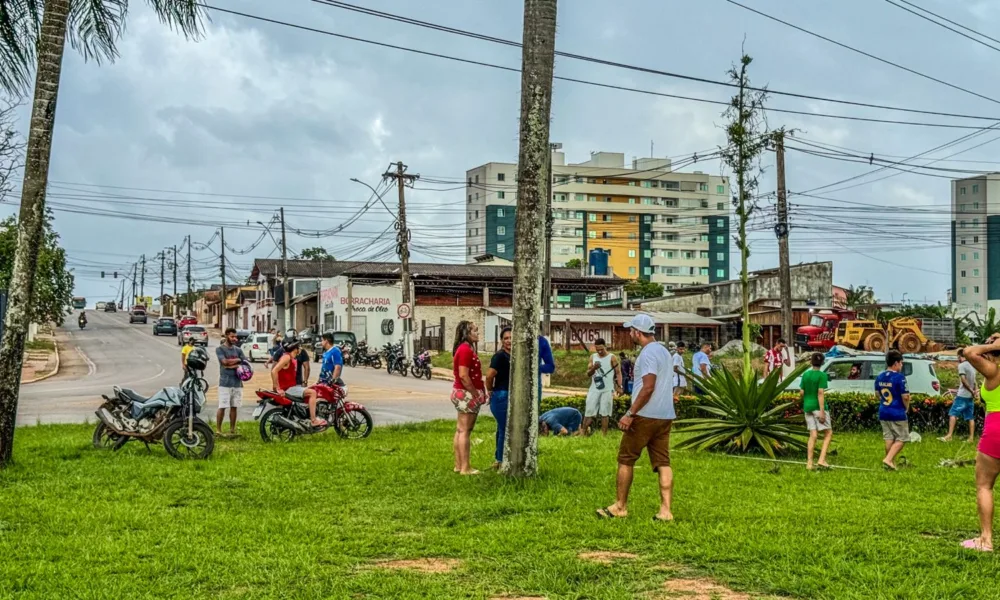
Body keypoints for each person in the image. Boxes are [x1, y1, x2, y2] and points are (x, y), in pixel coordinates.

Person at [597, 313, 675, 522]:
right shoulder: (664, 352)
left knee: (626, 459)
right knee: (663, 462)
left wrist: (630, 413)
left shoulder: (648, 354)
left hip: (644, 415)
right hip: (665, 415)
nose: (629, 333)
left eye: (631, 330)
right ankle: (665, 510)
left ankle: (620, 506)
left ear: (638, 333)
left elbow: (648, 386)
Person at [957, 334, 1000, 552]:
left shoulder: (994, 372)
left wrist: (994, 344)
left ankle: (986, 540)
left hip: (996, 429)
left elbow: (969, 352)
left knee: (984, 485)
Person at [451, 320, 487, 475]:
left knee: (460, 429)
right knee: (466, 430)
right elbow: (464, 375)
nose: (477, 333)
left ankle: (459, 465)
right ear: (466, 333)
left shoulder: (463, 349)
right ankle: (465, 467)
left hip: (461, 392)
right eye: (474, 330)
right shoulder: (465, 350)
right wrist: (475, 392)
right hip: (466, 393)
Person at [875, 350, 910, 471]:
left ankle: (891, 463)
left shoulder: (880, 376)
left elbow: (877, 394)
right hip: (897, 412)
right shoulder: (900, 378)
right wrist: (907, 407)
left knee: (889, 438)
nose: (901, 365)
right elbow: (905, 396)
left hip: (883, 411)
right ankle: (888, 459)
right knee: (902, 438)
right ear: (896, 363)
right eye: (901, 363)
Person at [582, 338, 622, 436]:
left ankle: (604, 435)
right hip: (594, 389)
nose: (599, 351)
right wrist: (594, 368)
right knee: (589, 411)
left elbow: (618, 373)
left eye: (601, 349)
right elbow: (588, 374)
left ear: (605, 346)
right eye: (597, 349)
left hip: (607, 389)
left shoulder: (612, 357)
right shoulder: (593, 357)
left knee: (605, 412)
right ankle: (583, 432)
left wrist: (619, 386)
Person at [302, 332, 343, 427]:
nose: (321, 342)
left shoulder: (335, 351)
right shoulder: (326, 353)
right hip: (322, 381)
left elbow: (337, 367)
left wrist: (333, 380)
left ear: (327, 341)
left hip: (328, 383)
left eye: (322, 340)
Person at [801, 352, 832, 470]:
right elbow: (820, 393)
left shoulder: (805, 375)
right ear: (823, 362)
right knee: (828, 433)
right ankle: (821, 459)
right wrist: (822, 411)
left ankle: (809, 463)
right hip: (817, 407)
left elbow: (802, 392)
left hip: (807, 406)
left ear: (811, 362)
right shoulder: (822, 375)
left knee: (813, 435)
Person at [485, 327, 512, 469]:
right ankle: (501, 460)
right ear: (501, 341)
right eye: (506, 338)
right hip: (501, 395)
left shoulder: (514, 356)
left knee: (501, 429)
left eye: (511, 337)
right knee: (504, 429)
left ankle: (498, 459)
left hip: (509, 395)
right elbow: (489, 376)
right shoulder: (499, 356)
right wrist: (490, 390)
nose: (509, 341)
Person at [940, 347, 977, 444]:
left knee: (953, 413)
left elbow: (963, 380)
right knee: (970, 417)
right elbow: (975, 381)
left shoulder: (962, 366)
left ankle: (949, 435)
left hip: (962, 395)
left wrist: (970, 390)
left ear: (960, 356)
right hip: (970, 396)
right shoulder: (972, 365)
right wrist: (974, 391)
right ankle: (971, 438)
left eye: (958, 357)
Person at [215, 327, 248, 437]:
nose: (235, 339)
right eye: (232, 336)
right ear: (226, 336)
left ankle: (232, 429)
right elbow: (224, 362)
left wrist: (231, 364)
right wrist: (237, 362)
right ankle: (218, 430)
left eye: (235, 336)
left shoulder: (238, 350)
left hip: (237, 382)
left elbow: (244, 362)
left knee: (234, 407)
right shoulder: (220, 349)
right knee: (222, 406)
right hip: (225, 383)